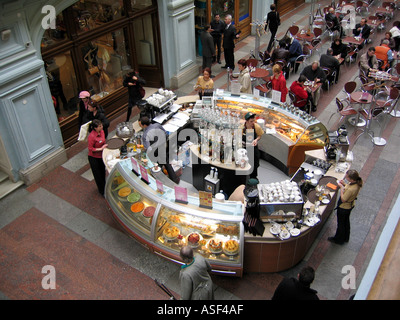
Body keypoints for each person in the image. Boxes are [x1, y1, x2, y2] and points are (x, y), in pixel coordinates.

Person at [139, 116, 180, 184]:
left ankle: (162, 181)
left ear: (144, 125)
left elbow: (147, 148)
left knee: (157, 166)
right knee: (166, 163)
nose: (140, 125)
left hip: (155, 150)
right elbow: (165, 132)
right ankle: (175, 179)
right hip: (162, 146)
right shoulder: (157, 125)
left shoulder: (145, 134)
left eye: (140, 124)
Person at [328, 170, 363, 245]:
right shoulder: (356, 184)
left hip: (344, 208)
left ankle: (338, 239)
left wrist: (341, 188)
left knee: (341, 224)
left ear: (352, 179)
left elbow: (343, 199)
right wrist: (344, 184)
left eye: (347, 178)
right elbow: (348, 187)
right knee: (346, 222)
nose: (346, 178)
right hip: (350, 206)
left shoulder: (351, 189)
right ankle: (345, 237)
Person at [87, 119, 108, 196]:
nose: (101, 127)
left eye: (101, 125)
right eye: (99, 126)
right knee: (97, 175)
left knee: (103, 172)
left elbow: (103, 141)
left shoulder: (102, 132)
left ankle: (105, 186)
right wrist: (101, 148)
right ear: (95, 128)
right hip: (94, 158)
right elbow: (90, 149)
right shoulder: (91, 136)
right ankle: (102, 191)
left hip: (101, 156)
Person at [242, 112, 264, 179]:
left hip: (254, 148)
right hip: (245, 149)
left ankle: (253, 177)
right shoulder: (242, 128)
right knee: (244, 163)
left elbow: (260, 135)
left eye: (253, 121)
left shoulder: (256, 127)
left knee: (255, 163)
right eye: (251, 121)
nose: (253, 123)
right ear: (247, 121)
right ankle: (244, 177)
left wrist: (256, 140)